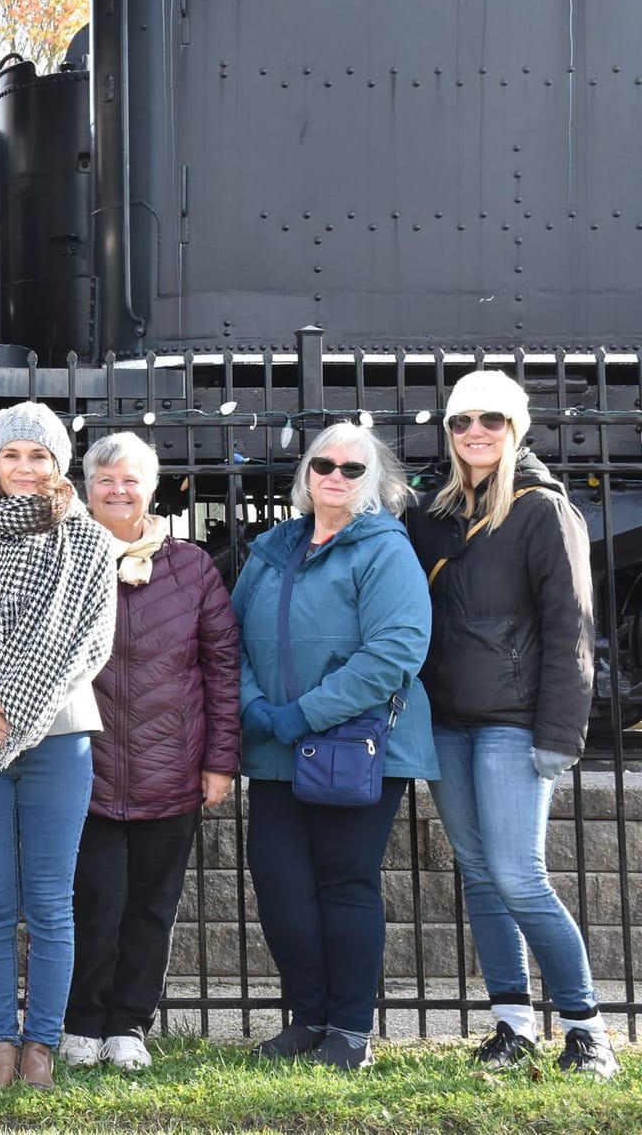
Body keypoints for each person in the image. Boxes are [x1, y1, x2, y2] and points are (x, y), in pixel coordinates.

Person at [407, 372, 619, 1079]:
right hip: (448, 722)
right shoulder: (433, 512)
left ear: (516, 428)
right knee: (478, 875)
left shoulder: (543, 511)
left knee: (518, 875)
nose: (475, 432)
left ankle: (587, 1029)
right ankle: (513, 1023)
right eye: (462, 420)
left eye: (491, 420)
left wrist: (561, 734)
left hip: (513, 724)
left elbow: (572, 629)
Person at [234, 423, 435, 1071]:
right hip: (274, 744)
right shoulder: (271, 550)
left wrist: (302, 715)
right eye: (324, 464)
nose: (336, 476)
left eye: (353, 468)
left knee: (345, 884)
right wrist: (254, 709)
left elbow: (395, 652)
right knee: (280, 885)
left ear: (372, 481)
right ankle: (307, 1018)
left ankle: (349, 1031)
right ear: (306, 474)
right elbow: (225, 638)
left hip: (358, 743)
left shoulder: (384, 550)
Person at [0, 401, 116, 1092]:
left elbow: (94, 642)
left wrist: (28, 707)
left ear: (58, 463)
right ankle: (0, 1045)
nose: (26, 467)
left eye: (39, 455)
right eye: (13, 455)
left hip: (59, 733)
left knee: (49, 901)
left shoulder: (89, 541)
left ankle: (41, 1045)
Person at [61, 433, 240, 1071]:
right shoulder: (62, 558)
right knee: (94, 901)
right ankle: (81, 1021)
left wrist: (219, 761)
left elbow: (221, 669)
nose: (117, 490)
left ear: (153, 486)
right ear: (87, 488)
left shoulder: (190, 567)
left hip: (172, 767)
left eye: (130, 479)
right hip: (86, 768)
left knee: (150, 907)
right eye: (105, 479)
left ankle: (129, 1025)